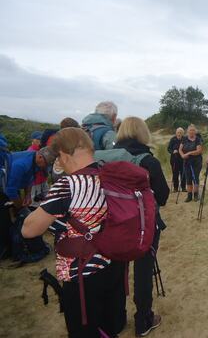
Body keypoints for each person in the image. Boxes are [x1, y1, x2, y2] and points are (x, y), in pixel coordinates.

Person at [22, 128, 126, 338]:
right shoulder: (110, 175)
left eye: (58, 157)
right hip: (115, 264)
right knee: (108, 327)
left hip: (82, 274)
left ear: (65, 154)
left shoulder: (67, 185)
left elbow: (29, 230)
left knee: (83, 331)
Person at [114, 117, 168, 336]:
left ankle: (115, 318)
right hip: (144, 225)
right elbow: (163, 196)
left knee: (116, 269)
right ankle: (143, 318)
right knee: (143, 271)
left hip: (114, 223)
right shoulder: (148, 160)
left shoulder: (104, 157)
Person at [179, 124, 203, 202]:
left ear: (195, 131)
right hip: (186, 162)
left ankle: (196, 195)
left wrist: (189, 153)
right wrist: (182, 155)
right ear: (187, 131)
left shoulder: (198, 139)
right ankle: (189, 196)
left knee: (195, 178)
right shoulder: (184, 139)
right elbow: (180, 149)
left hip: (196, 162)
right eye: (190, 130)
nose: (192, 132)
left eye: (193, 130)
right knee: (188, 178)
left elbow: (199, 151)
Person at [167, 127, 187, 193]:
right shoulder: (173, 139)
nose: (179, 134)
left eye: (180, 132)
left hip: (182, 159)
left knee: (183, 173)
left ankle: (183, 188)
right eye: (178, 132)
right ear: (176, 133)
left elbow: (187, 147)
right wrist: (173, 151)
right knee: (175, 174)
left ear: (183, 133)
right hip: (174, 159)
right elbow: (168, 149)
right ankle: (175, 188)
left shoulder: (185, 139)